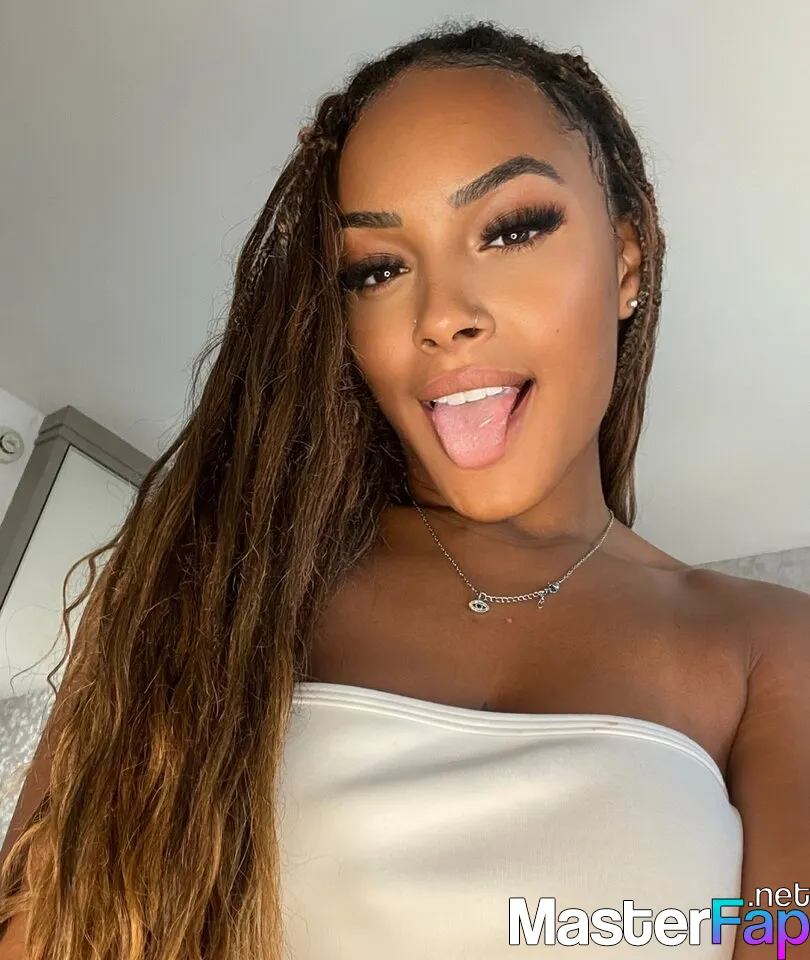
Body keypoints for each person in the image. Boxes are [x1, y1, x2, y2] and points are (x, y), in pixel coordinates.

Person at [1, 18, 808, 960]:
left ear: (626, 260)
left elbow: (783, 934)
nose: (441, 317)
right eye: (378, 269)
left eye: (511, 230)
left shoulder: (769, 647)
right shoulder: (210, 585)